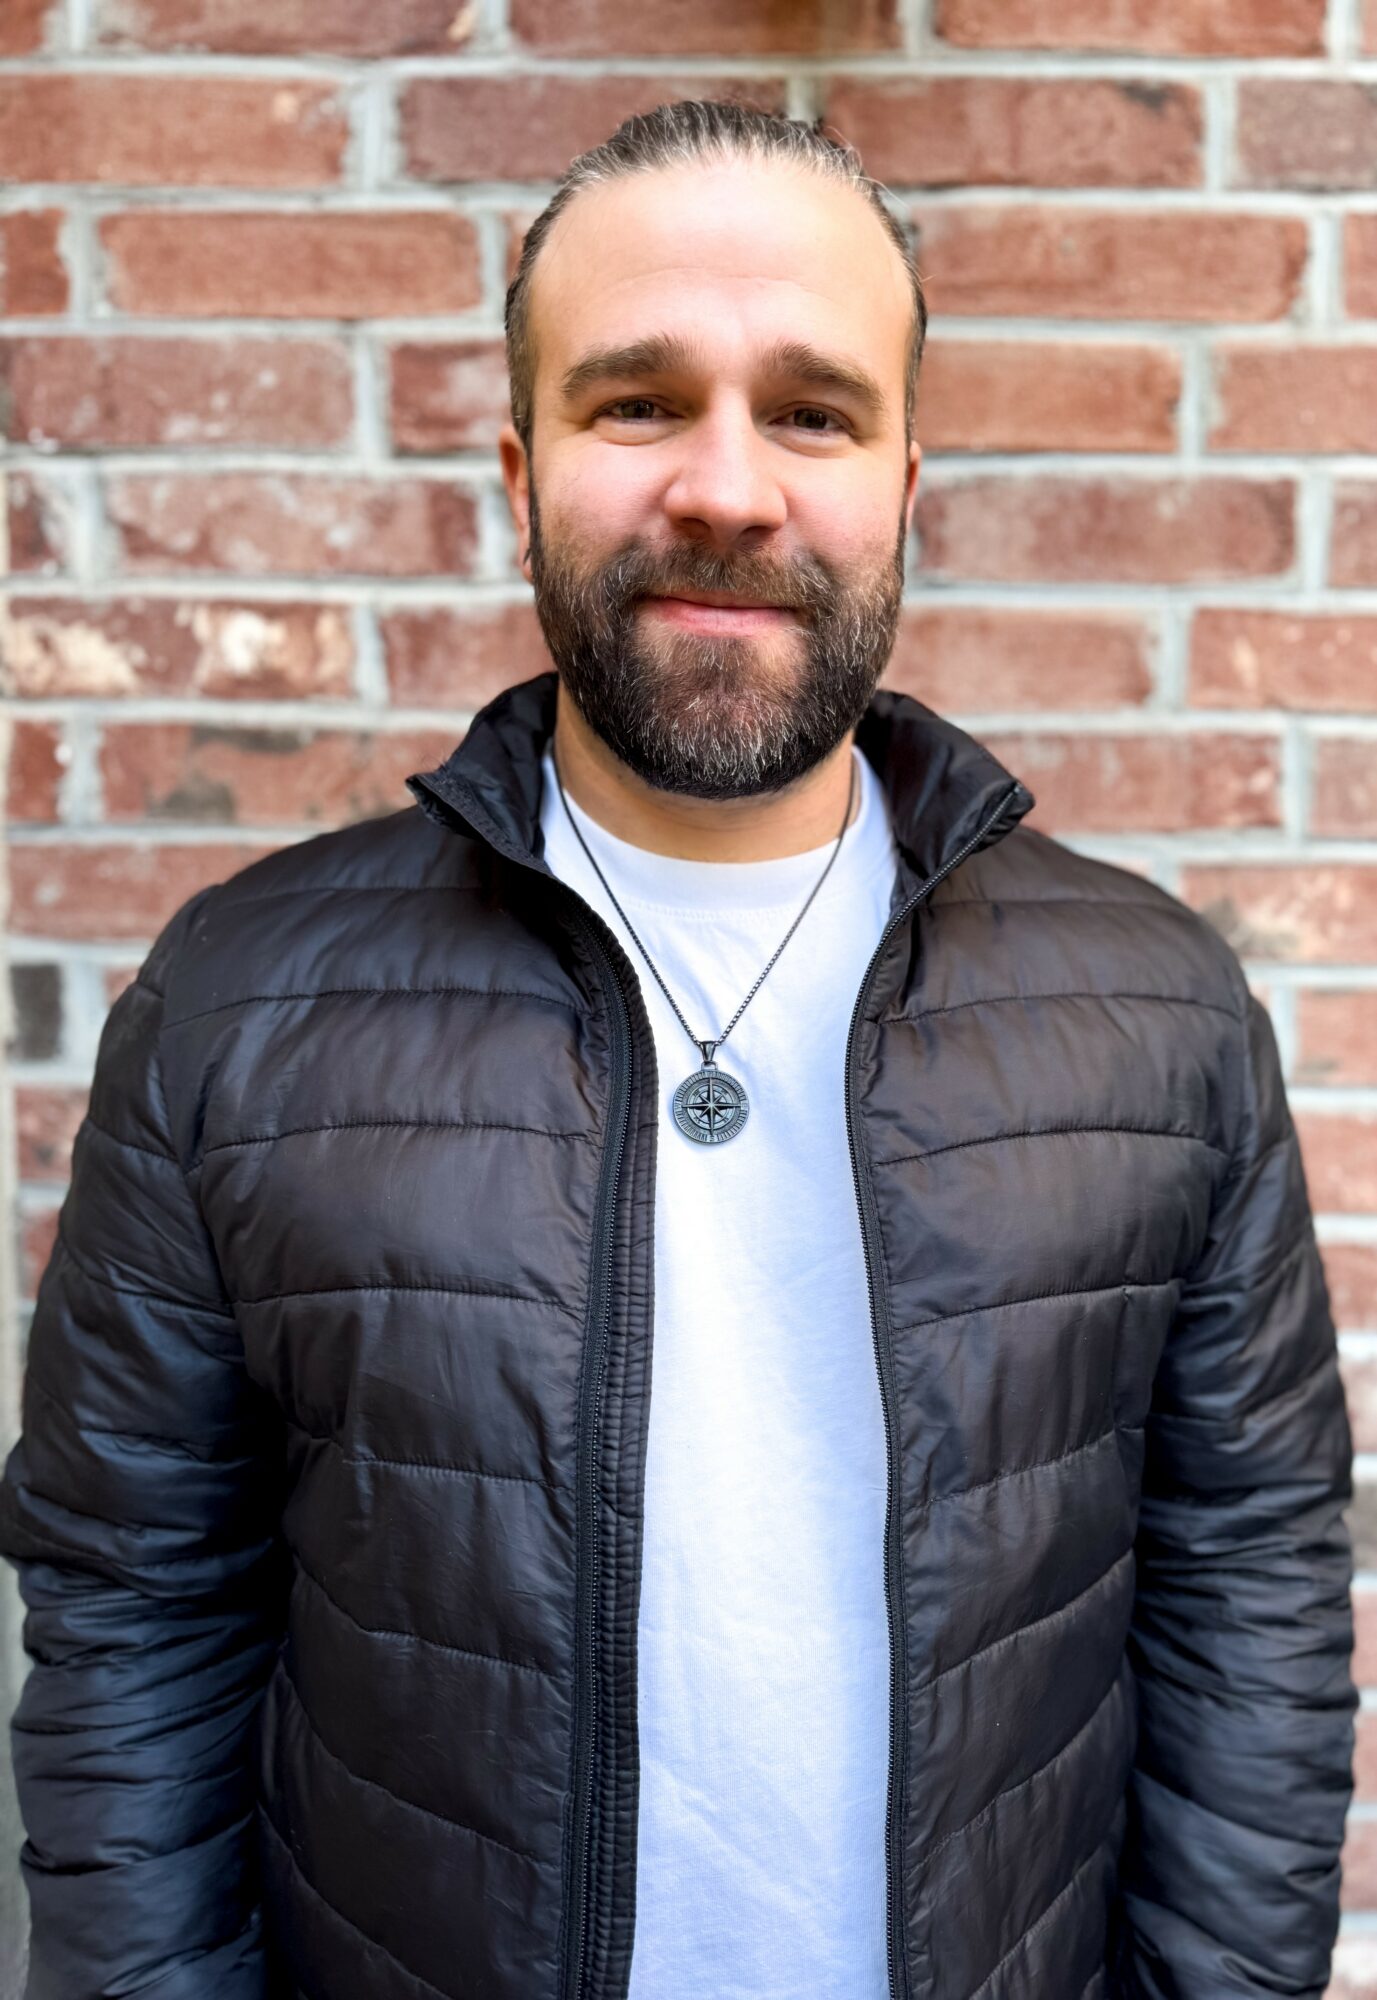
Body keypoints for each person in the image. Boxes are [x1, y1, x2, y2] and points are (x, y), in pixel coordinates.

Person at [0, 97, 1356, 2000]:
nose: (726, 487)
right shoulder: (239, 999)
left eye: (810, 410)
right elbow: (132, 1611)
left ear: (904, 480)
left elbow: (1252, 1596)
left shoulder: (1156, 1009)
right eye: (637, 402)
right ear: (516, 464)